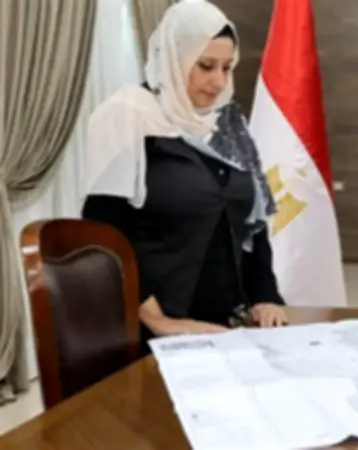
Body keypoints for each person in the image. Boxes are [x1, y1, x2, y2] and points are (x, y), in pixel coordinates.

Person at [81, 1, 287, 349]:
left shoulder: (226, 122)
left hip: (227, 326)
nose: (219, 81)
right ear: (174, 58)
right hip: (147, 330)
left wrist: (265, 295)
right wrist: (158, 321)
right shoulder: (128, 115)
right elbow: (105, 232)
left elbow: (251, 223)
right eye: (206, 66)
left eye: (227, 67)